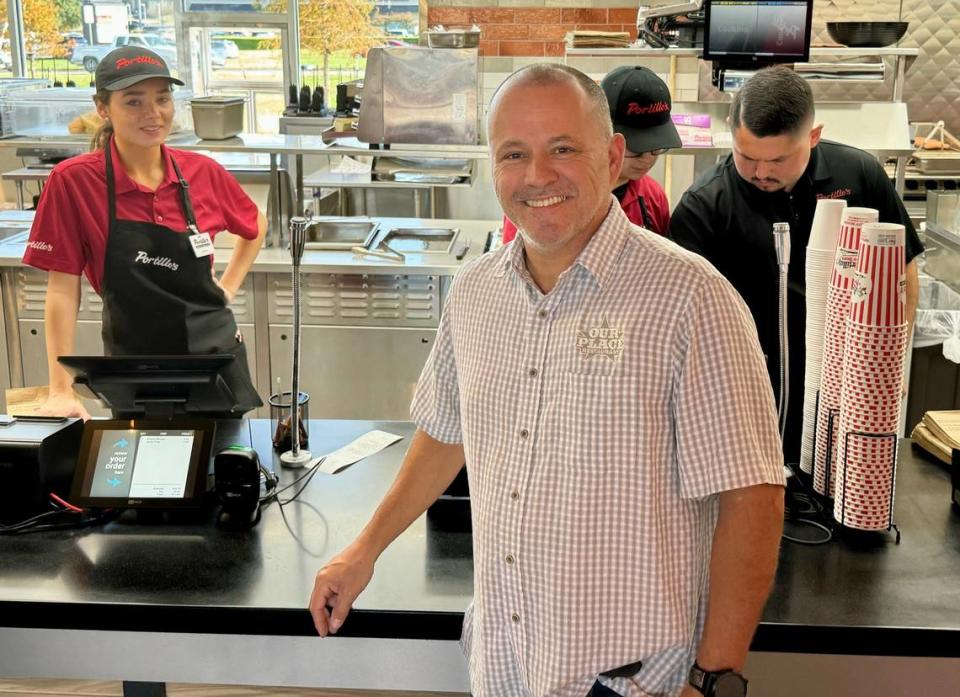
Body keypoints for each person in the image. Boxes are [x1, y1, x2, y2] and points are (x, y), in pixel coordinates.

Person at [309, 64, 785, 697]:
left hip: (633, 680)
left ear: (614, 156)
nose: (537, 176)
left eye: (563, 148)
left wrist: (713, 677)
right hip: (506, 665)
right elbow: (448, 433)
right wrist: (363, 549)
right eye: (514, 154)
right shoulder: (476, 294)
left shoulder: (692, 298)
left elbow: (752, 498)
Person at [669, 66, 923, 464]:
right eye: (746, 157)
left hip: (846, 378)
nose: (761, 173)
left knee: (844, 487)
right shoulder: (705, 205)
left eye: (778, 160)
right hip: (746, 387)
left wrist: (891, 360)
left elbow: (900, 272)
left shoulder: (859, 175)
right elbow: (684, 318)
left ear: (814, 136)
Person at [22, 46, 266, 419]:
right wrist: (59, 388)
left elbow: (255, 223)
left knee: (225, 471)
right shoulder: (74, 181)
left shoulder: (202, 171)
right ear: (103, 107)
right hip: (133, 369)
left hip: (214, 363)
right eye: (133, 102)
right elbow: (61, 289)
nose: (153, 114)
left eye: (163, 99)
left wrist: (229, 285)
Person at [501, 65, 680, 242]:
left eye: (656, 149)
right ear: (610, 144)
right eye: (636, 149)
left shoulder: (653, 196)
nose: (647, 159)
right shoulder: (543, 196)